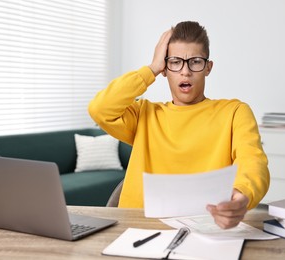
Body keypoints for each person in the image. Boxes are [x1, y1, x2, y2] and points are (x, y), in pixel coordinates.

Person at [89, 21, 269, 229]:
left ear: (208, 68)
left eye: (195, 62)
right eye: (175, 62)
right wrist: (151, 69)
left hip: (208, 226)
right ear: (165, 69)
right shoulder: (144, 115)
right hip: (139, 228)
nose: (185, 72)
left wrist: (241, 194)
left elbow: (253, 161)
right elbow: (99, 109)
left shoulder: (235, 112)